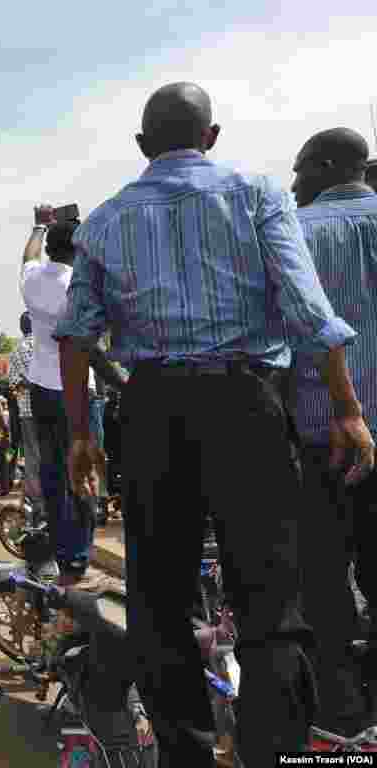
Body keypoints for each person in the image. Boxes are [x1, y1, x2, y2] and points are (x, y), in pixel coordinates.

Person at [54, 82, 374, 765]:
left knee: (160, 601)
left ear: (142, 147)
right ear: (212, 135)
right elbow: (310, 311)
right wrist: (346, 407)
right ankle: (273, 751)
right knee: (269, 604)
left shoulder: (105, 220)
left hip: (152, 411)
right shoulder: (258, 195)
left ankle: (187, 755)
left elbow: (76, 335)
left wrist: (81, 433)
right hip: (245, 404)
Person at [289, 127, 377, 737]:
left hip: (322, 436)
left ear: (324, 165)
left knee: (322, 577)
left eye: (298, 171)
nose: (293, 184)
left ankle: (342, 712)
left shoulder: (292, 233)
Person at [21, 212, 124, 584]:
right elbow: (90, 347)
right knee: (82, 472)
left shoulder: (33, 280)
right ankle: (78, 557)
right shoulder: (78, 286)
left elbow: (27, 257)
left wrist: (39, 225)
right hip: (76, 388)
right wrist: (122, 380)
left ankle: (64, 553)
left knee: (52, 474)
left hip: (41, 387)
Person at [7, 312, 42, 512]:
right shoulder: (45, 345)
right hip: (50, 407)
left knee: (31, 456)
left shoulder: (16, 350)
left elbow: (13, 383)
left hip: (27, 411)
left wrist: (25, 388)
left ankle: (36, 502)